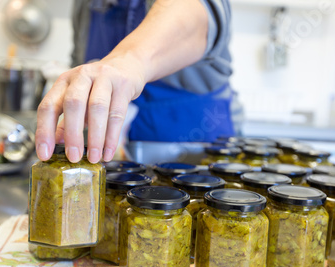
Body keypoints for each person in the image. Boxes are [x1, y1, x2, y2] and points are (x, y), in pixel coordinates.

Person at [35, 0, 238, 164]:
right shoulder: (86, 5)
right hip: (114, 166)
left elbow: (196, 11)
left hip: (198, 160)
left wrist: (128, 61)